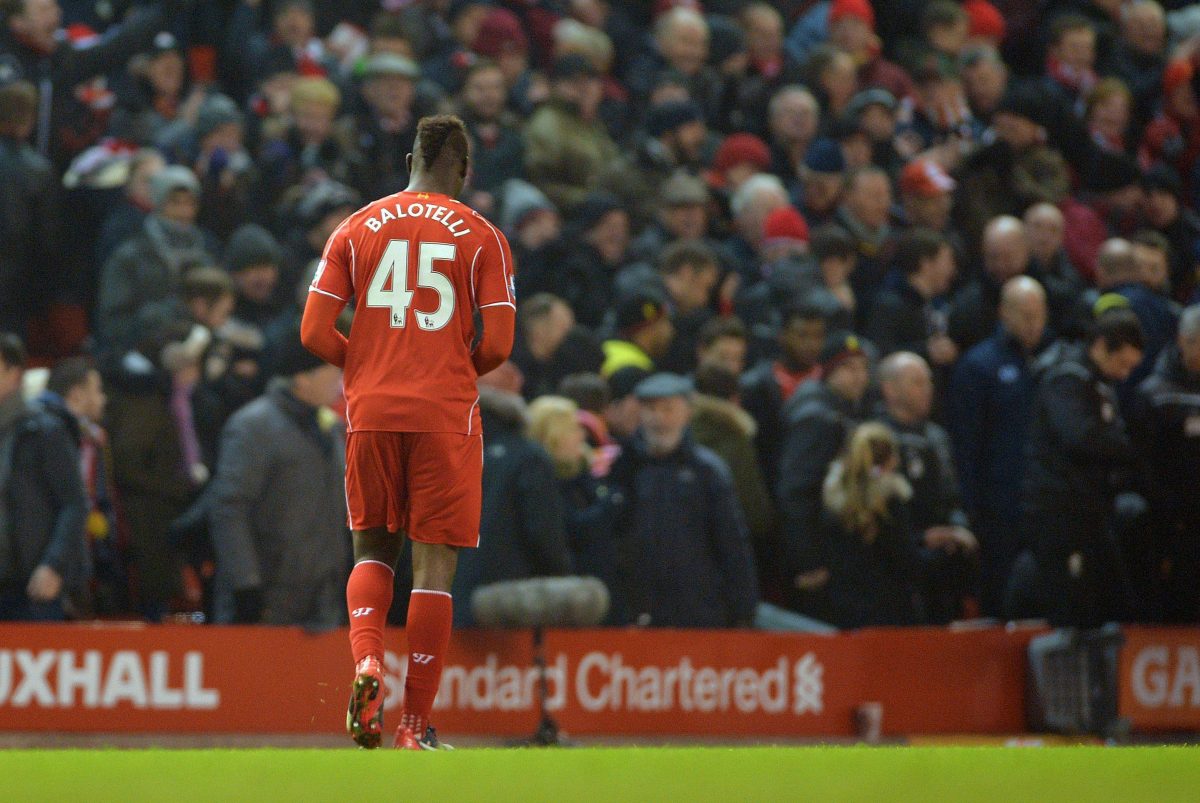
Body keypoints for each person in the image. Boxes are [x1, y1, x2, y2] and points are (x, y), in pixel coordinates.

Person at [301, 115, 515, 750]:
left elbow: (312, 331)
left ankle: (368, 660)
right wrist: (446, 369)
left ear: (408, 163)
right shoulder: (483, 237)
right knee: (433, 568)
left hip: (371, 411)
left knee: (372, 550)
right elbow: (499, 344)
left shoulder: (355, 226)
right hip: (444, 416)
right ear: (464, 170)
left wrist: (370, 365)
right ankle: (414, 727)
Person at [208, 335, 349, 627]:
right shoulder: (253, 427)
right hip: (267, 601)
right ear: (302, 377)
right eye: (333, 371)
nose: (340, 381)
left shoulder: (331, 430)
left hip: (324, 603)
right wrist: (246, 584)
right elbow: (229, 508)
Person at [1019, 309, 1145, 626]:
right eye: (1122, 363)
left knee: (1109, 600)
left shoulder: (1099, 384)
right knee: (1072, 603)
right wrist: (1130, 449)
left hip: (1090, 508)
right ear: (1101, 346)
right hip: (1060, 507)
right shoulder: (1066, 380)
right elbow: (1081, 437)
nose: (1124, 375)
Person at [608, 373, 759, 628]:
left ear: (687, 413)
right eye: (651, 409)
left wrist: (742, 608)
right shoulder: (625, 467)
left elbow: (731, 541)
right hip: (639, 609)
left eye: (668, 409)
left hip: (699, 609)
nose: (659, 419)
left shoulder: (707, 471)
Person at [948, 277, 1049, 616]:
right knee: (1000, 590)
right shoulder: (978, 365)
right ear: (1005, 313)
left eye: (1039, 315)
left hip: (1040, 501)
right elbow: (965, 442)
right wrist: (971, 505)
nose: (1033, 324)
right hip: (998, 505)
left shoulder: (1050, 361)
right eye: (1025, 315)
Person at [0, 333, 88, 621]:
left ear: (14, 374)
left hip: (32, 585)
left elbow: (74, 503)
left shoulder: (45, 430)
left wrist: (53, 565)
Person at [816, 422, 923, 629]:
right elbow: (906, 559)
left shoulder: (831, 504)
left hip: (844, 611)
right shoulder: (890, 503)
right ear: (891, 459)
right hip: (890, 613)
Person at [1132, 304, 1200, 622]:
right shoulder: (1155, 394)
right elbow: (1142, 463)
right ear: (1184, 341)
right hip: (1172, 524)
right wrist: (1169, 510)